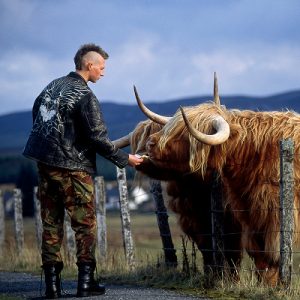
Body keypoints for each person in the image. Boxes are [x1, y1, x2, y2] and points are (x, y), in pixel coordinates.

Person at [23, 43, 143, 298]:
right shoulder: (85, 96)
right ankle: (84, 283)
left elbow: (38, 118)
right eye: (102, 67)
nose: (104, 72)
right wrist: (126, 159)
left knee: (51, 224)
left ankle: (52, 287)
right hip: (74, 171)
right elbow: (97, 138)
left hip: (45, 166)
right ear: (89, 65)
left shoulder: (50, 87)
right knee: (84, 225)